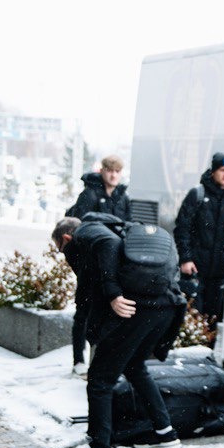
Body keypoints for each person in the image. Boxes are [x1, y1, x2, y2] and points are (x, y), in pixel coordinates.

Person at [54, 216, 185, 448]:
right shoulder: (119, 231)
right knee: (135, 366)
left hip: (135, 309)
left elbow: (108, 244)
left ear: (67, 238)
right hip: (164, 306)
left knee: (99, 381)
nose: (66, 256)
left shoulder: (88, 231)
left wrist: (113, 293)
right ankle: (165, 433)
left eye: (62, 249)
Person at [66, 155, 132, 374]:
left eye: (117, 171)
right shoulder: (89, 193)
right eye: (110, 171)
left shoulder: (122, 197)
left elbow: (127, 226)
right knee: (83, 312)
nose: (113, 175)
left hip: (113, 263)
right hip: (90, 262)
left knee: (106, 313)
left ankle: (99, 363)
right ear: (102, 171)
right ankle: (78, 360)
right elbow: (79, 227)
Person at [173, 152, 224, 322]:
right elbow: (182, 228)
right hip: (196, 268)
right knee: (191, 316)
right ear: (213, 171)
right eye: (222, 170)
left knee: (213, 319)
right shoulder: (197, 194)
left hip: (220, 271)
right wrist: (186, 259)